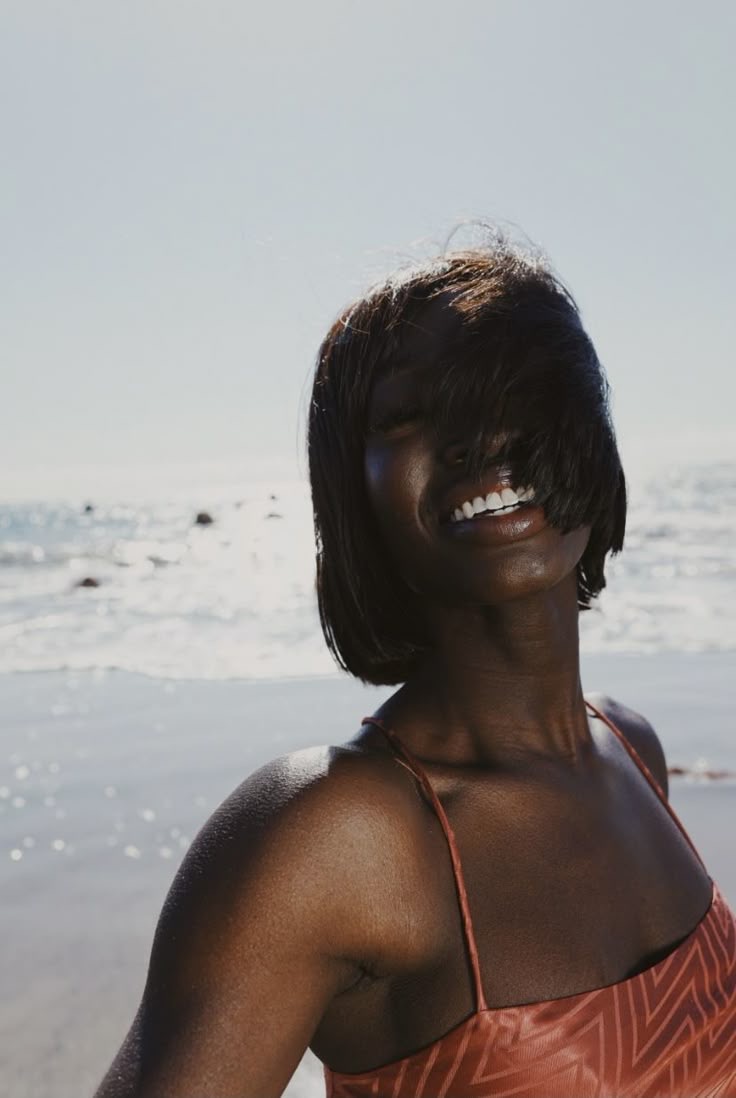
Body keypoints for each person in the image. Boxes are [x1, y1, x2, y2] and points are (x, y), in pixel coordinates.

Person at [94, 237, 736, 1098]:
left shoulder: (634, 751)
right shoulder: (333, 842)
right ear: (353, 496)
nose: (477, 435)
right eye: (409, 416)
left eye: (519, 391)